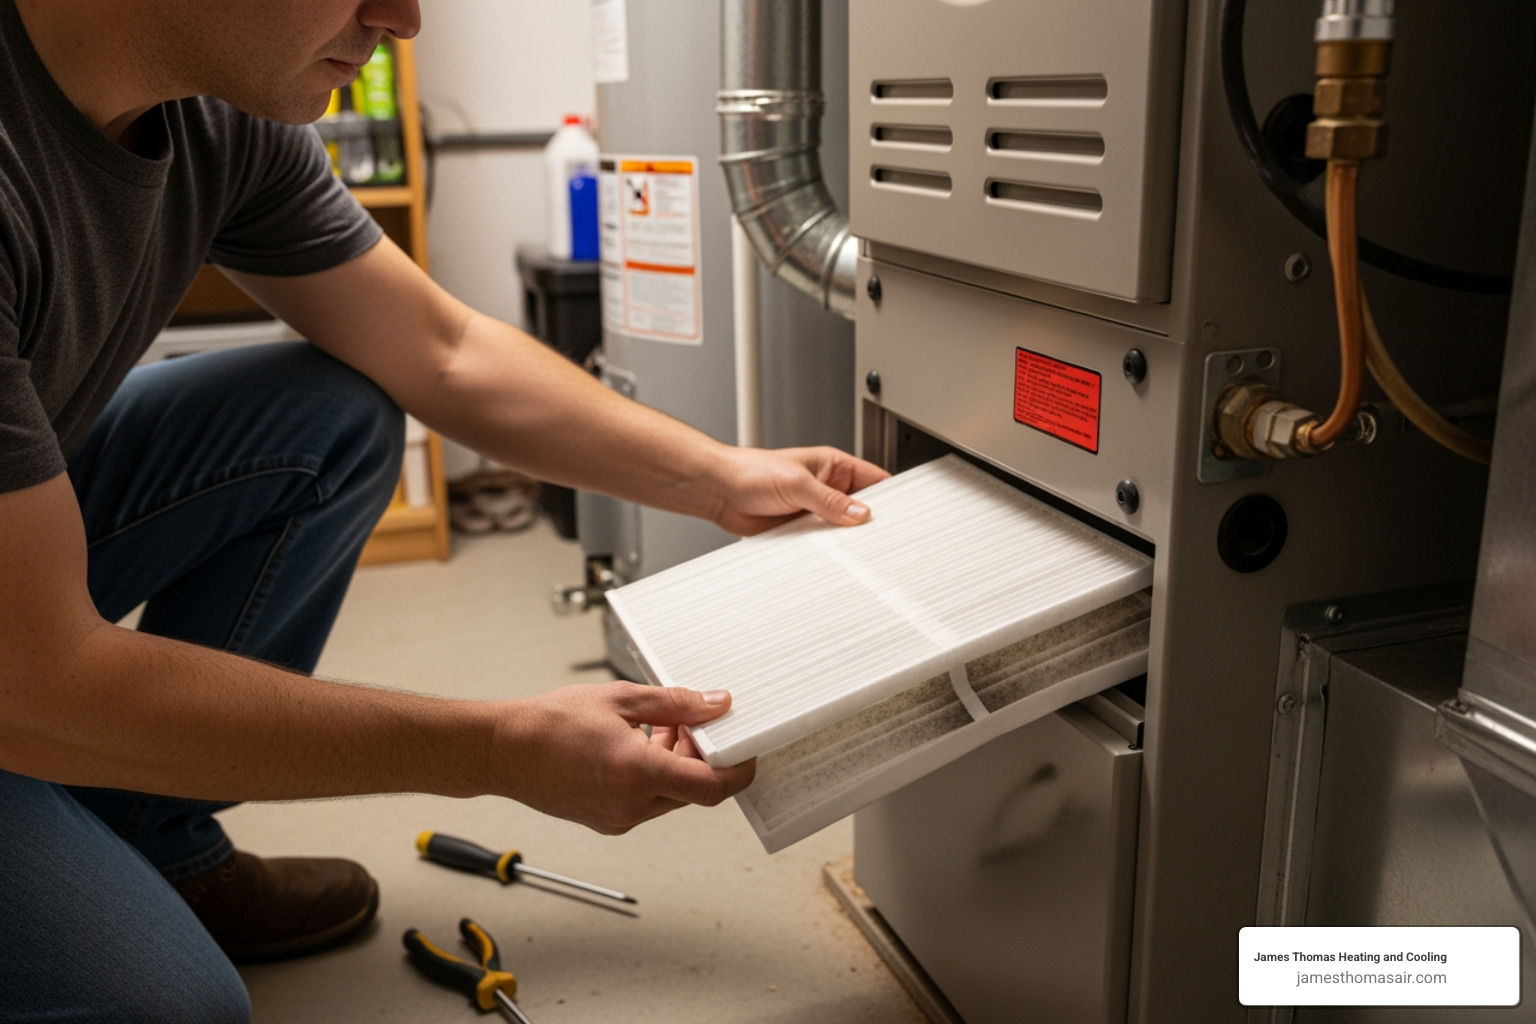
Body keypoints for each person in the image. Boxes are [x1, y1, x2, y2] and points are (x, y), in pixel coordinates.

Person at [0, 0, 888, 1019]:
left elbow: (440, 350)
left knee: (325, 419)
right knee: (170, 1007)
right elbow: (39, 679)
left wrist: (721, 477)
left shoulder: (213, 112)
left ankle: (146, 822)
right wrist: (495, 749)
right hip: (22, 668)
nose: (404, 18)